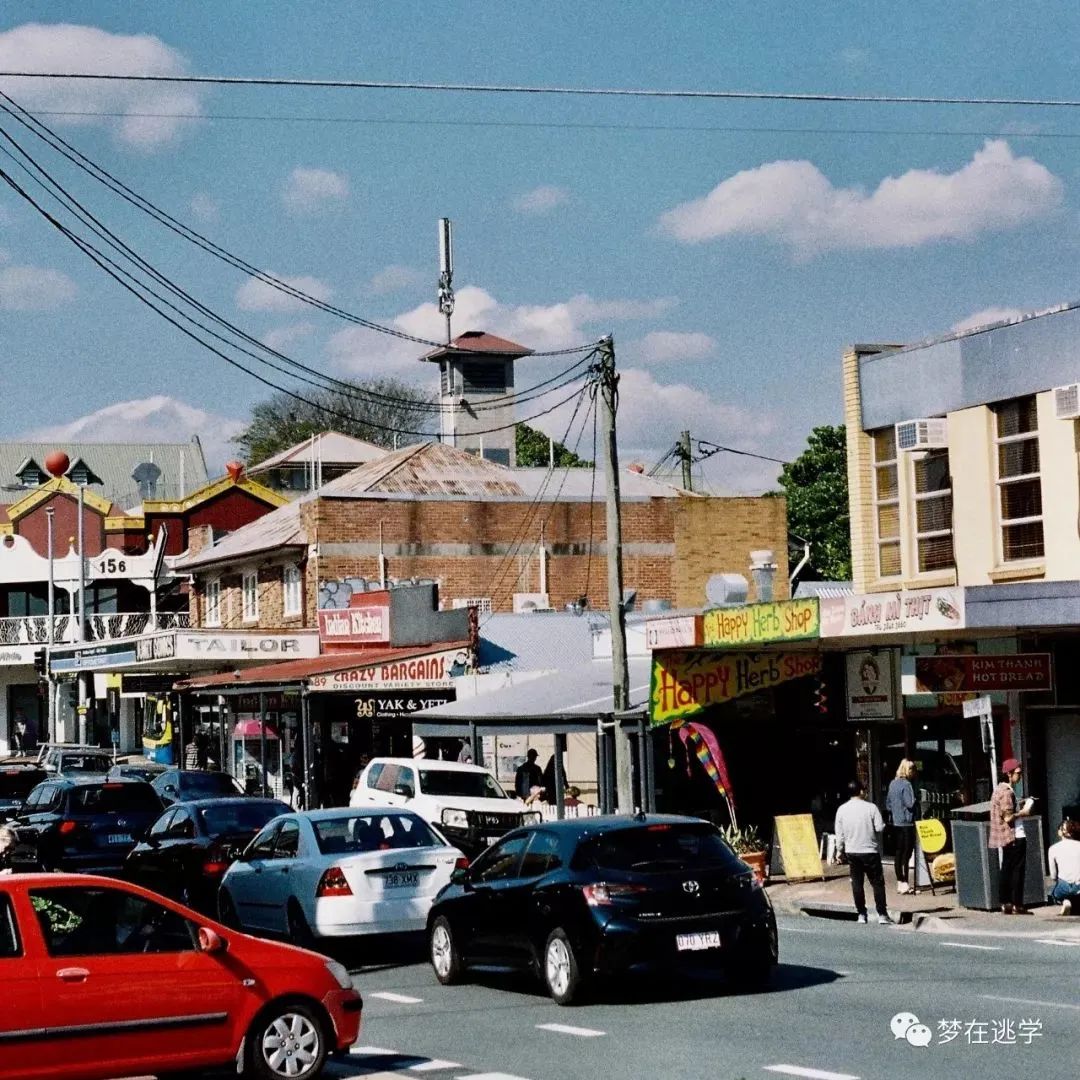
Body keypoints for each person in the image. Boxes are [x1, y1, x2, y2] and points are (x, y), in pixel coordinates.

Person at [834, 779, 891, 925]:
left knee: (857, 883)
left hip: (852, 851)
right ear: (860, 791)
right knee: (877, 883)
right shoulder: (871, 808)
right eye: (864, 790)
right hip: (870, 850)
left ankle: (861, 914)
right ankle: (882, 914)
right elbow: (879, 828)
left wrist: (839, 851)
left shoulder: (842, 809)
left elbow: (839, 834)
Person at [989, 757, 1035, 914]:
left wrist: (1019, 804)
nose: (1020, 776)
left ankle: (1005, 902)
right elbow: (1008, 817)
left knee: (1007, 868)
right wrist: (1024, 811)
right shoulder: (1007, 792)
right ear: (1009, 773)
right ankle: (1017, 904)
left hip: (1005, 837)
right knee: (1017, 870)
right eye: (1018, 773)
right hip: (1015, 835)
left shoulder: (998, 789)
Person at [886, 759, 918, 894]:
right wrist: (916, 799)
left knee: (898, 853)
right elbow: (910, 804)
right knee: (907, 852)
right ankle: (905, 882)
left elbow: (887, 803)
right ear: (908, 770)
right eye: (913, 770)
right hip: (907, 822)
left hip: (896, 822)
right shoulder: (907, 785)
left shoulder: (892, 784)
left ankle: (900, 882)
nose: (914, 773)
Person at [1047, 819, 1080, 915]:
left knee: (1053, 892)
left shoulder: (1053, 848)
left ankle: (1065, 901)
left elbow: (1053, 876)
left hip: (1063, 886)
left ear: (1060, 832)